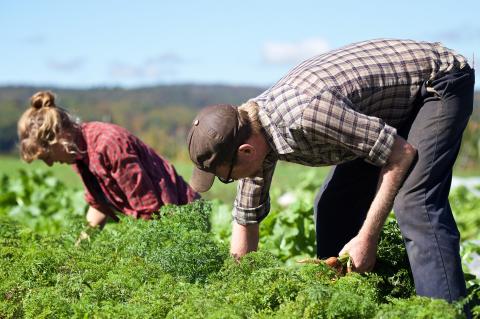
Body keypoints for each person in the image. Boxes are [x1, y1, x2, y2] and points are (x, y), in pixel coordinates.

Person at [187, 39, 475, 304]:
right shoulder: (253, 132)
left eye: (226, 176)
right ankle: (349, 303)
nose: (230, 181)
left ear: (245, 152)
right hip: (378, 112)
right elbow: (245, 227)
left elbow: (401, 154)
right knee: (332, 205)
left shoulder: (306, 116)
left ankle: (444, 310)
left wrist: (367, 238)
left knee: (415, 204)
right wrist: (238, 298)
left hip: (436, 82)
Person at [18, 90, 199, 229]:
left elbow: (149, 210)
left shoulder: (108, 145)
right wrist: (78, 251)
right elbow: (99, 205)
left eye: (47, 156)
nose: (50, 164)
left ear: (60, 138)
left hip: (183, 222)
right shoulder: (80, 154)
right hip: (159, 226)